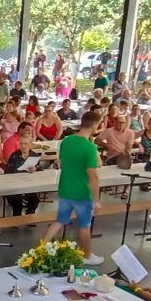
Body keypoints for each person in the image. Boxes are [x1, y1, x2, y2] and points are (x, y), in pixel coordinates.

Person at [42, 112, 105, 265]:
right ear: (95, 125)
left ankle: (41, 249)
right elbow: (93, 175)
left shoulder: (66, 141)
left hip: (65, 187)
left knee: (60, 220)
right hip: (82, 192)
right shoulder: (89, 147)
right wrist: (96, 201)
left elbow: (64, 161)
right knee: (84, 225)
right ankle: (87, 255)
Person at [4, 136, 41, 217]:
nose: (23, 146)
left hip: (29, 183)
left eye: (26, 144)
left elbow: (40, 169)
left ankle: (30, 215)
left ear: (30, 145)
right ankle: (16, 217)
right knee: (16, 199)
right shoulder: (14, 156)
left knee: (35, 199)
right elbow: (7, 171)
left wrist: (35, 169)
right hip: (15, 184)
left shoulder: (34, 155)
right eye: (21, 144)